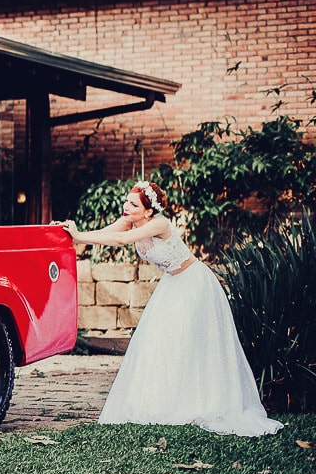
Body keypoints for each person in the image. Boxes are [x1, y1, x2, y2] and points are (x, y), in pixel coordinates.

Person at [58, 181, 282, 437]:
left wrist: (78, 236)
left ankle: (199, 403)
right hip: (172, 284)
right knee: (158, 343)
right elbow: (110, 233)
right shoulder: (132, 221)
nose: (125, 207)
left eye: (133, 204)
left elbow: (121, 239)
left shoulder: (159, 224)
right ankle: (162, 401)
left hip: (194, 283)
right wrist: (76, 233)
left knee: (186, 342)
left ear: (148, 211)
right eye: (126, 201)